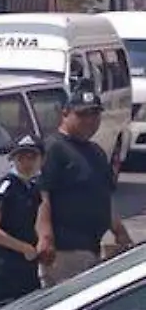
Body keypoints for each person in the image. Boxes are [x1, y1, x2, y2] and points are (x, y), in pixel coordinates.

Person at [37, 91, 132, 286]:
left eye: (94, 114)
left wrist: (120, 231)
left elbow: (104, 195)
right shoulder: (54, 148)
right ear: (65, 114)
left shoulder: (95, 151)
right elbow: (42, 195)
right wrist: (45, 237)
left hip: (91, 248)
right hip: (64, 250)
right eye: (82, 115)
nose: (89, 120)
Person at [0, 134, 44, 310]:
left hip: (24, 269)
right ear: (13, 160)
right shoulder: (7, 187)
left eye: (32, 157)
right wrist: (24, 248)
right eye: (21, 158)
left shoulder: (33, 187)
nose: (26, 163)